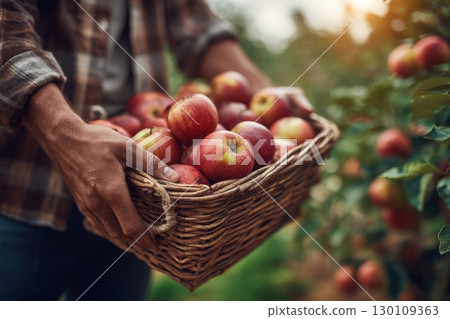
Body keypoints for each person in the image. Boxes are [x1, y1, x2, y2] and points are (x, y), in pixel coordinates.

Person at [0, 0, 313, 300]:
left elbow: (198, 28)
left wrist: (270, 99)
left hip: (145, 194)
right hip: (28, 187)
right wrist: (63, 134)